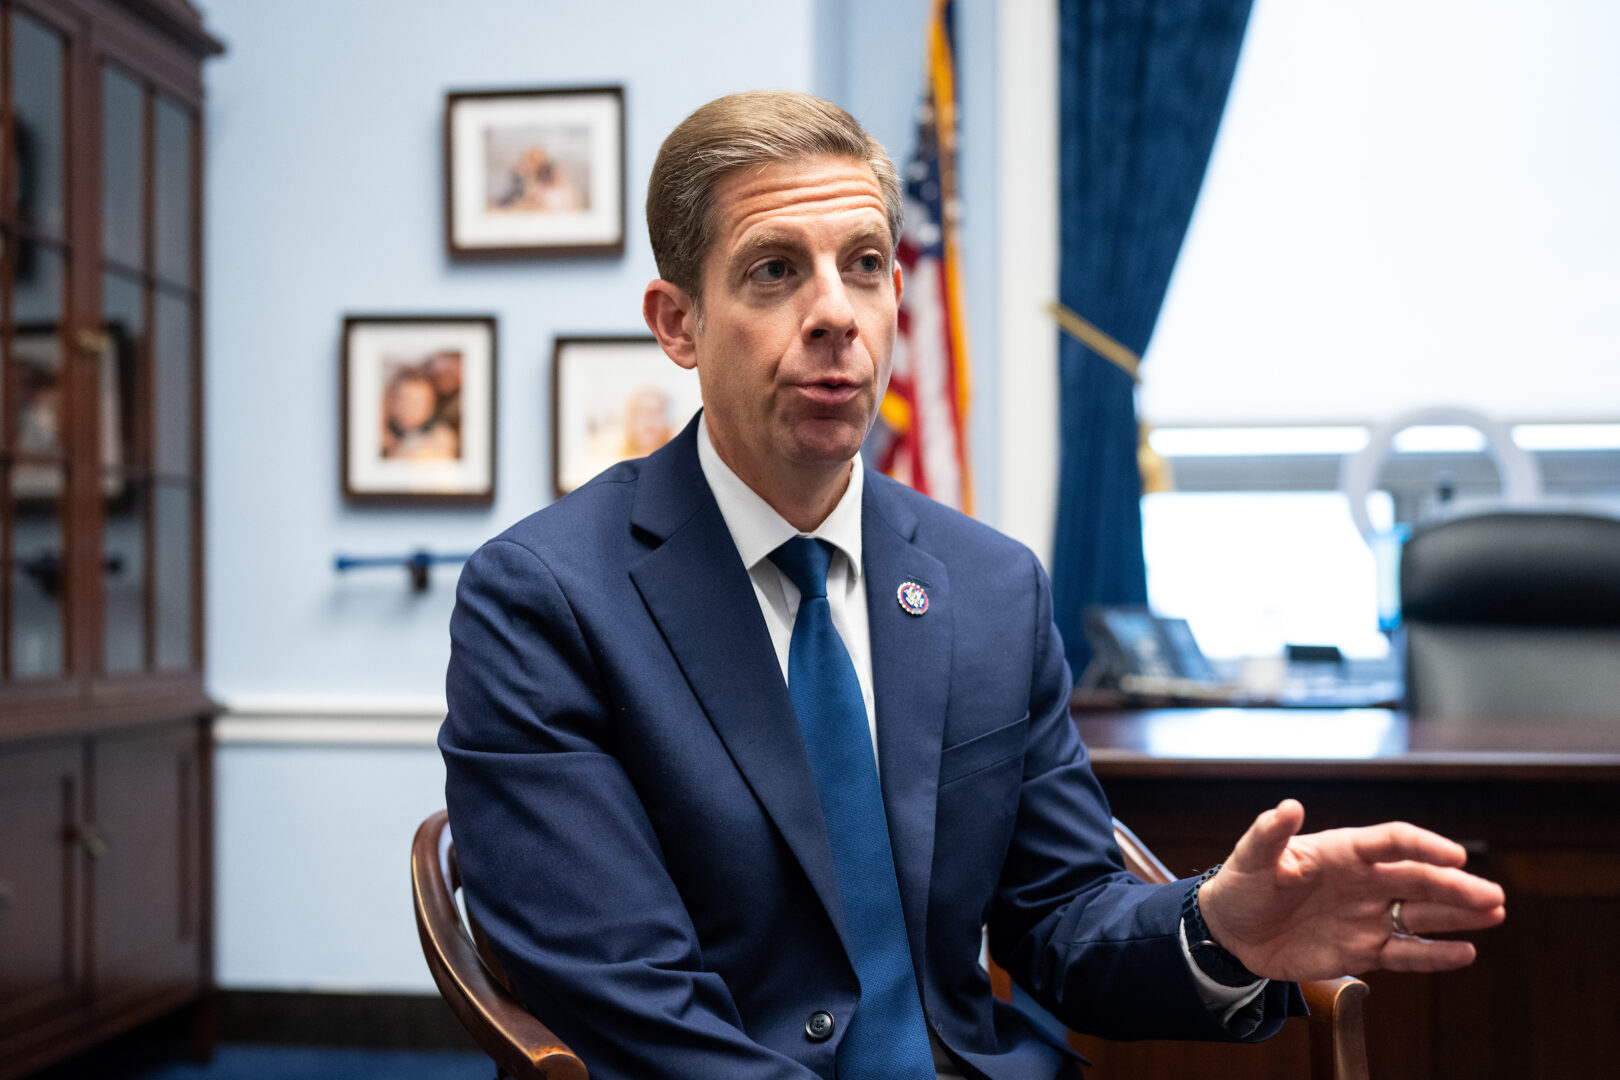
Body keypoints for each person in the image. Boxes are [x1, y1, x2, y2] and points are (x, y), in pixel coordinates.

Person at [441, 90, 1504, 1080]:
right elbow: (630, 1000)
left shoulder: (991, 586)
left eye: (863, 265)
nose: (833, 314)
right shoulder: (544, 598)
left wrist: (1217, 932)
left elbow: (1060, 922)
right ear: (677, 322)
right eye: (773, 271)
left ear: (897, 293)